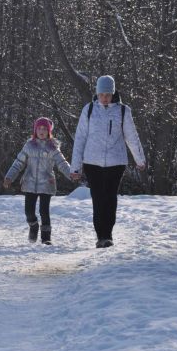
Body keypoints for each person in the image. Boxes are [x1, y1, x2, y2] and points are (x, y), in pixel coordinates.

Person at [70, 75, 146, 248]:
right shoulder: (88, 110)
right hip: (92, 162)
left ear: (113, 93)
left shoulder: (123, 111)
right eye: (102, 94)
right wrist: (75, 167)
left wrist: (139, 159)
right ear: (97, 93)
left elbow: (132, 137)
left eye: (108, 94)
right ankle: (100, 236)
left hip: (116, 162)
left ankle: (108, 235)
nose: (105, 98)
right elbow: (80, 138)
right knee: (97, 198)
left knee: (110, 198)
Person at [3, 117, 71, 245]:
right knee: (29, 211)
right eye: (39, 128)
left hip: (47, 184)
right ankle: (33, 226)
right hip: (30, 182)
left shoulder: (53, 148)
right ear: (35, 130)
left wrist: (72, 174)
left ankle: (46, 238)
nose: (41, 131)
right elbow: (18, 163)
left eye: (44, 129)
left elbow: (62, 163)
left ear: (49, 131)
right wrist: (9, 177)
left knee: (44, 211)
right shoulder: (29, 146)